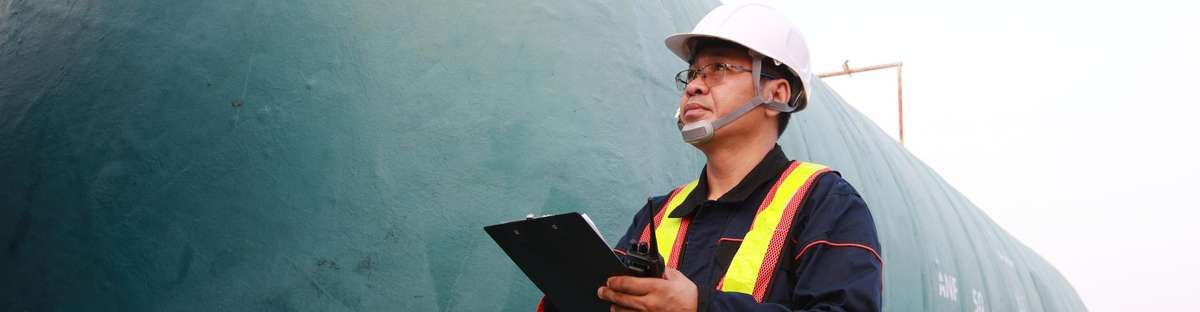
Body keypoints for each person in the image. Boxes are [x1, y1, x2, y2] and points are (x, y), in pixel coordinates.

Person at [539, 2, 882, 311]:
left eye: (718, 68)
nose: (694, 86)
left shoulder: (825, 204)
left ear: (776, 93)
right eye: (692, 73)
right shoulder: (658, 215)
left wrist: (699, 307)